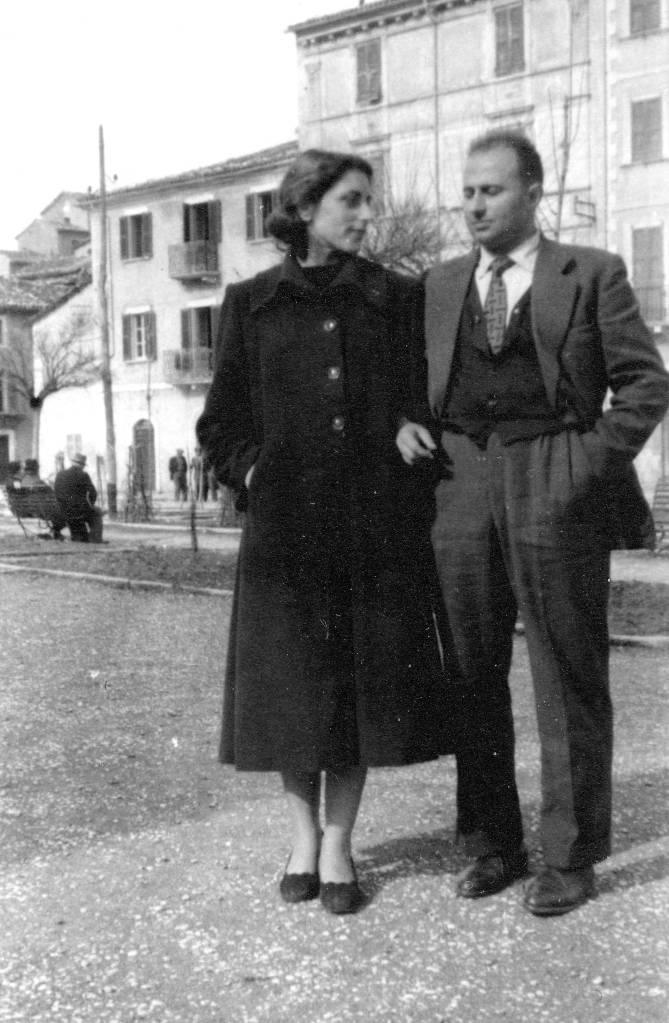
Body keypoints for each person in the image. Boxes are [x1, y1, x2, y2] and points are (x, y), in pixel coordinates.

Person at [397, 129, 669, 916]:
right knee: (470, 672)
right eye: (466, 192)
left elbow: (645, 385)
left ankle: (570, 854)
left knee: (566, 670)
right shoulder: (439, 284)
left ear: (533, 191)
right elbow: (407, 380)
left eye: (491, 190)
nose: (473, 206)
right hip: (459, 481)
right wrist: (403, 422)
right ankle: (493, 842)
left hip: (554, 473)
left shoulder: (591, 272)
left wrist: (584, 462)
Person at [197, 148, 451, 915]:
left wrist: (406, 424)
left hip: (370, 530)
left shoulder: (394, 297)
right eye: (351, 200)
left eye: (368, 200)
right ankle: (301, 837)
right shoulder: (250, 303)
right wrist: (251, 471)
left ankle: (339, 844)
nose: (367, 215)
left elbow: (416, 395)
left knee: (355, 691)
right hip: (284, 538)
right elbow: (219, 424)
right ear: (305, 207)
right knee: (292, 690)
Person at [54, 452, 104, 543]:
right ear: (82, 465)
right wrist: (90, 505)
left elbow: (56, 492)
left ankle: (80, 536)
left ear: (72, 462)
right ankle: (95, 538)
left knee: (80, 536)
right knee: (97, 512)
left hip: (62, 510)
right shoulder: (83, 475)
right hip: (79, 510)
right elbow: (93, 493)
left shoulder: (60, 474)